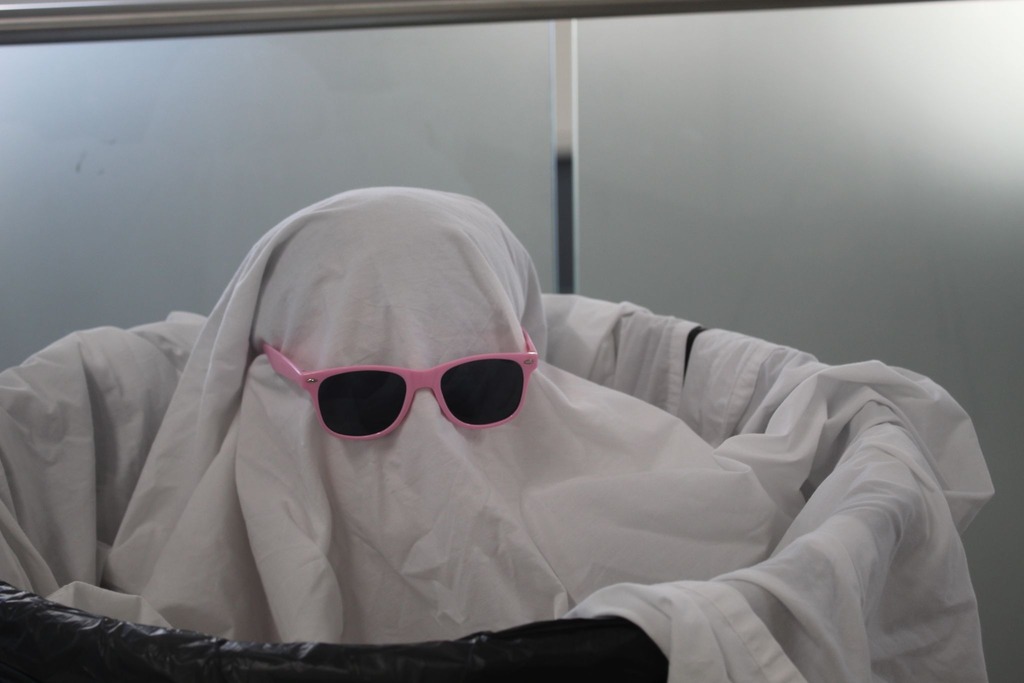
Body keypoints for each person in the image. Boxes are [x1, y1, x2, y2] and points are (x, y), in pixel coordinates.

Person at [0, 188, 993, 682]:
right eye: (359, 400)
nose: (426, 440)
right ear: (266, 381)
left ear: (532, 363)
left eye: (477, 387)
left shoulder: (638, 477)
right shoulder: (194, 527)